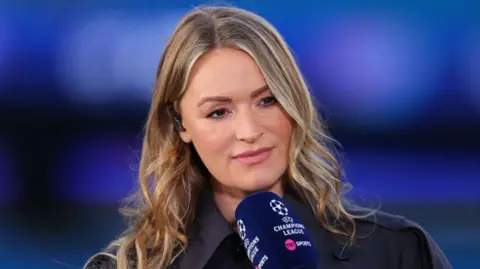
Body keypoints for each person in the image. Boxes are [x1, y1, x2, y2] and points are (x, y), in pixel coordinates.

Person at [84, 5, 452, 269]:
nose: (249, 132)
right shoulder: (129, 267)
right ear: (181, 126)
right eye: (218, 112)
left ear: (294, 103)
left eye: (266, 100)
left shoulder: (397, 251)